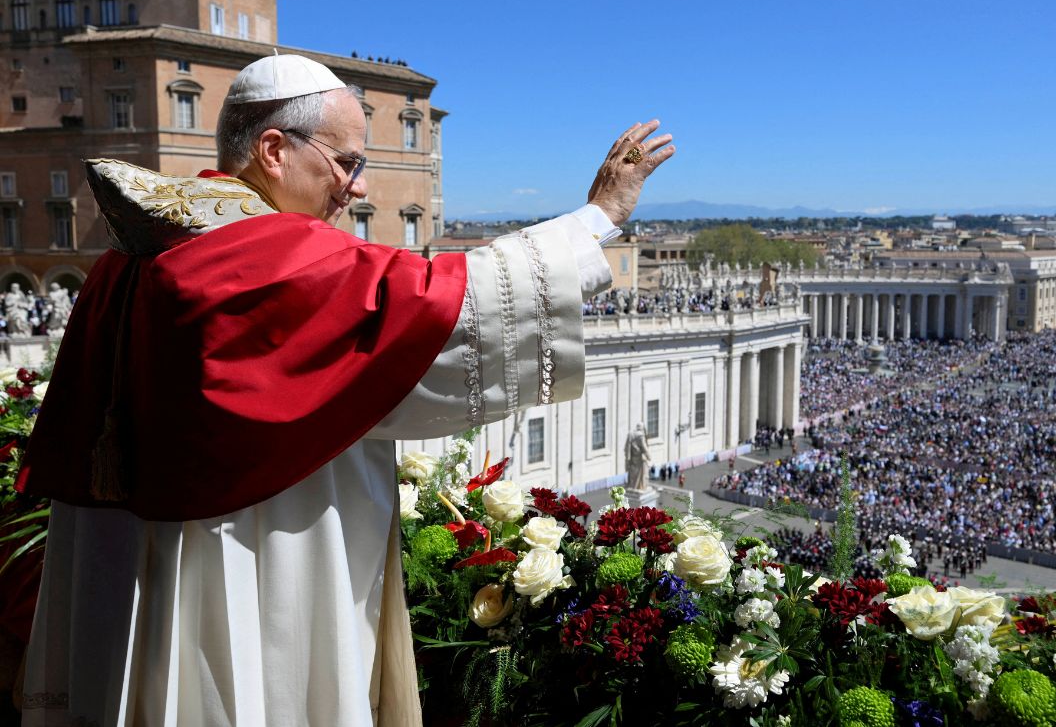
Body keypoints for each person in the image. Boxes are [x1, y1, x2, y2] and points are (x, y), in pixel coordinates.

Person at [15, 55, 674, 726]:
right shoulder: (257, 255)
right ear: (274, 150)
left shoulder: (143, 246)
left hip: (135, 557)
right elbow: (442, 306)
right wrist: (598, 218)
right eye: (345, 163)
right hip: (250, 555)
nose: (355, 189)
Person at [624, 423, 651, 491]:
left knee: (633, 473)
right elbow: (644, 447)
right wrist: (648, 456)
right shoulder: (640, 435)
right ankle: (639, 486)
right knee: (641, 474)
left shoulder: (631, 434)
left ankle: (633, 486)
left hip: (632, 458)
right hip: (639, 458)